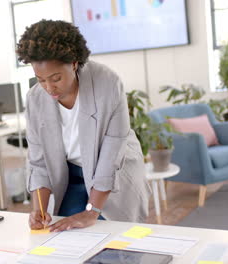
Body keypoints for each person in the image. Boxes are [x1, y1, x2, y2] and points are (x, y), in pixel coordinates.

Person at [16, 20, 151, 232]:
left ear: (74, 63)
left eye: (56, 78)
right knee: (64, 235)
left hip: (112, 170)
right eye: (40, 79)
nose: (49, 88)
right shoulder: (35, 99)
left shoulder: (107, 83)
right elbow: (38, 161)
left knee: (111, 236)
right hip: (68, 174)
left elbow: (112, 151)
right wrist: (38, 209)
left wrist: (91, 211)